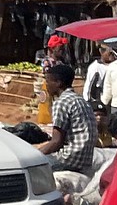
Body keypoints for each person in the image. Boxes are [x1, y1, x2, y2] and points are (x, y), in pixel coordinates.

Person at [33, 61, 97, 195]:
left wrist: (36, 154)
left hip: (70, 158)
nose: (46, 85)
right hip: (85, 158)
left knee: (32, 168)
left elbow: (56, 142)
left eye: (48, 81)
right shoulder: (80, 100)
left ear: (58, 83)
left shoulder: (62, 102)